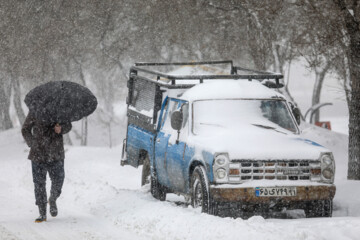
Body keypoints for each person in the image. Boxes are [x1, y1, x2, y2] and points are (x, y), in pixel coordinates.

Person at [22, 112, 72, 223]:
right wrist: (32, 143)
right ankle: (42, 213)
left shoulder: (59, 110)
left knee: (59, 178)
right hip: (38, 154)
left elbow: (68, 125)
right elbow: (25, 129)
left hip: (56, 153)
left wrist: (61, 128)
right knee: (39, 183)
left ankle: (53, 198)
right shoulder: (35, 110)